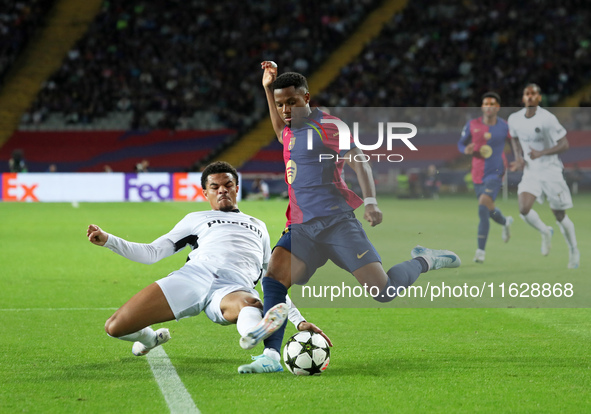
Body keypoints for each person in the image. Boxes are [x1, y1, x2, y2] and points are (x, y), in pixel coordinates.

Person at [237, 62, 462, 373]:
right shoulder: (288, 129)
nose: (285, 109)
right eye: (280, 104)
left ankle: (424, 260)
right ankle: (271, 357)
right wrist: (266, 88)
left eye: (291, 102)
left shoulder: (328, 126)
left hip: (337, 224)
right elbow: (279, 129)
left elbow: (359, 160)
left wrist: (370, 202)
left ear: (307, 98)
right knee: (275, 277)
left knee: (383, 291)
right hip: (302, 227)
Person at [87, 161, 330, 373]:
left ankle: (254, 331)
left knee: (249, 304)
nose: (222, 189)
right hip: (191, 279)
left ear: (236, 188)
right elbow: (152, 253)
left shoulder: (259, 225)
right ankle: (149, 338)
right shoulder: (195, 219)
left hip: (234, 288)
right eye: (215, 187)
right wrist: (109, 240)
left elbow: (275, 278)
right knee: (115, 327)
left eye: (228, 184)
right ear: (205, 193)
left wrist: (299, 320)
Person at [508, 84, 579, 269]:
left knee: (559, 215)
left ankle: (573, 250)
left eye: (534, 94)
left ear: (539, 98)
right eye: (527, 94)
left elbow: (564, 144)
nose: (530, 97)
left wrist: (543, 153)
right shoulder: (514, 119)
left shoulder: (548, 119)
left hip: (551, 171)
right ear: (523, 98)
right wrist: (518, 159)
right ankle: (545, 232)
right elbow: (514, 138)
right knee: (523, 209)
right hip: (531, 171)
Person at [458, 92, 513, 264]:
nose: (489, 106)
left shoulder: (504, 126)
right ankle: (505, 222)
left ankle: (480, 251)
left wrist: (519, 159)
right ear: (482, 107)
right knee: (487, 209)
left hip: (496, 171)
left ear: (497, 107)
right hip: (477, 173)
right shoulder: (472, 124)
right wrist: (465, 150)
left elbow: (515, 144)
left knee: (483, 205)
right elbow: (461, 143)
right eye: (486, 103)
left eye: (492, 103)